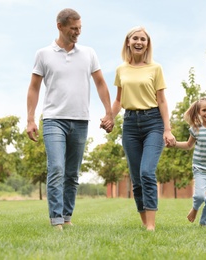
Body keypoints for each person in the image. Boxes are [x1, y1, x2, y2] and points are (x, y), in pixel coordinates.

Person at [26, 8, 114, 230]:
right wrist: (30, 119)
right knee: (56, 167)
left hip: (80, 120)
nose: (77, 33)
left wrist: (108, 112)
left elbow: (101, 83)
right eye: (73, 29)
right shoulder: (43, 54)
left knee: (72, 173)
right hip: (54, 119)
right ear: (60, 26)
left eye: (80, 28)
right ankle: (56, 219)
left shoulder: (89, 53)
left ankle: (67, 217)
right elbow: (34, 88)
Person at [110, 26, 175, 231]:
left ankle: (151, 226)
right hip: (129, 124)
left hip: (153, 122)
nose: (139, 42)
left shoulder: (155, 68)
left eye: (143, 39)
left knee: (147, 172)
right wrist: (109, 118)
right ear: (128, 42)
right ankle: (144, 222)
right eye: (135, 38)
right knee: (136, 178)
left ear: (147, 44)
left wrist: (167, 129)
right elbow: (119, 100)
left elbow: (162, 101)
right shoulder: (121, 69)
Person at [168, 96, 206, 226]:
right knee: (199, 196)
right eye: (204, 110)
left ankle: (203, 223)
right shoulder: (196, 128)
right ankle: (195, 208)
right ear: (199, 112)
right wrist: (174, 144)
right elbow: (188, 145)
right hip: (200, 168)